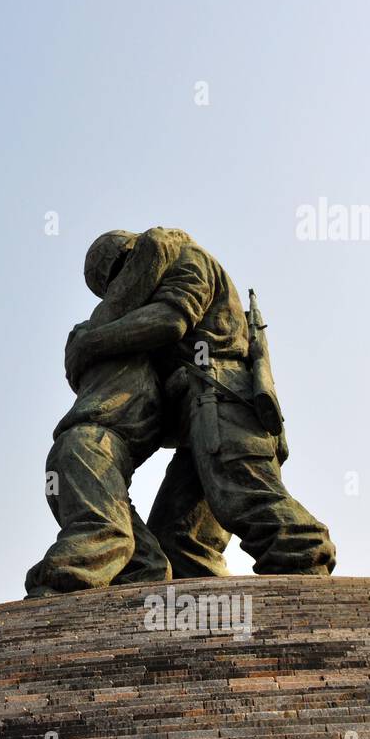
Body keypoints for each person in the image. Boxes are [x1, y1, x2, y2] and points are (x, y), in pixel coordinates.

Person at [63, 227, 336, 578]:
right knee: (180, 541)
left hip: (222, 400)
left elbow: (170, 320)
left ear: (133, 255)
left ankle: (307, 577)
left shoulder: (188, 258)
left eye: (120, 274)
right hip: (195, 419)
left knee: (245, 497)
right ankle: (201, 624)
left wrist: (90, 343)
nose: (123, 289)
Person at [24, 230, 182, 597]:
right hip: (87, 452)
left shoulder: (138, 353)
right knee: (105, 537)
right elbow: (164, 313)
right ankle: (45, 600)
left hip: (93, 461)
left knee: (148, 568)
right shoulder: (98, 331)